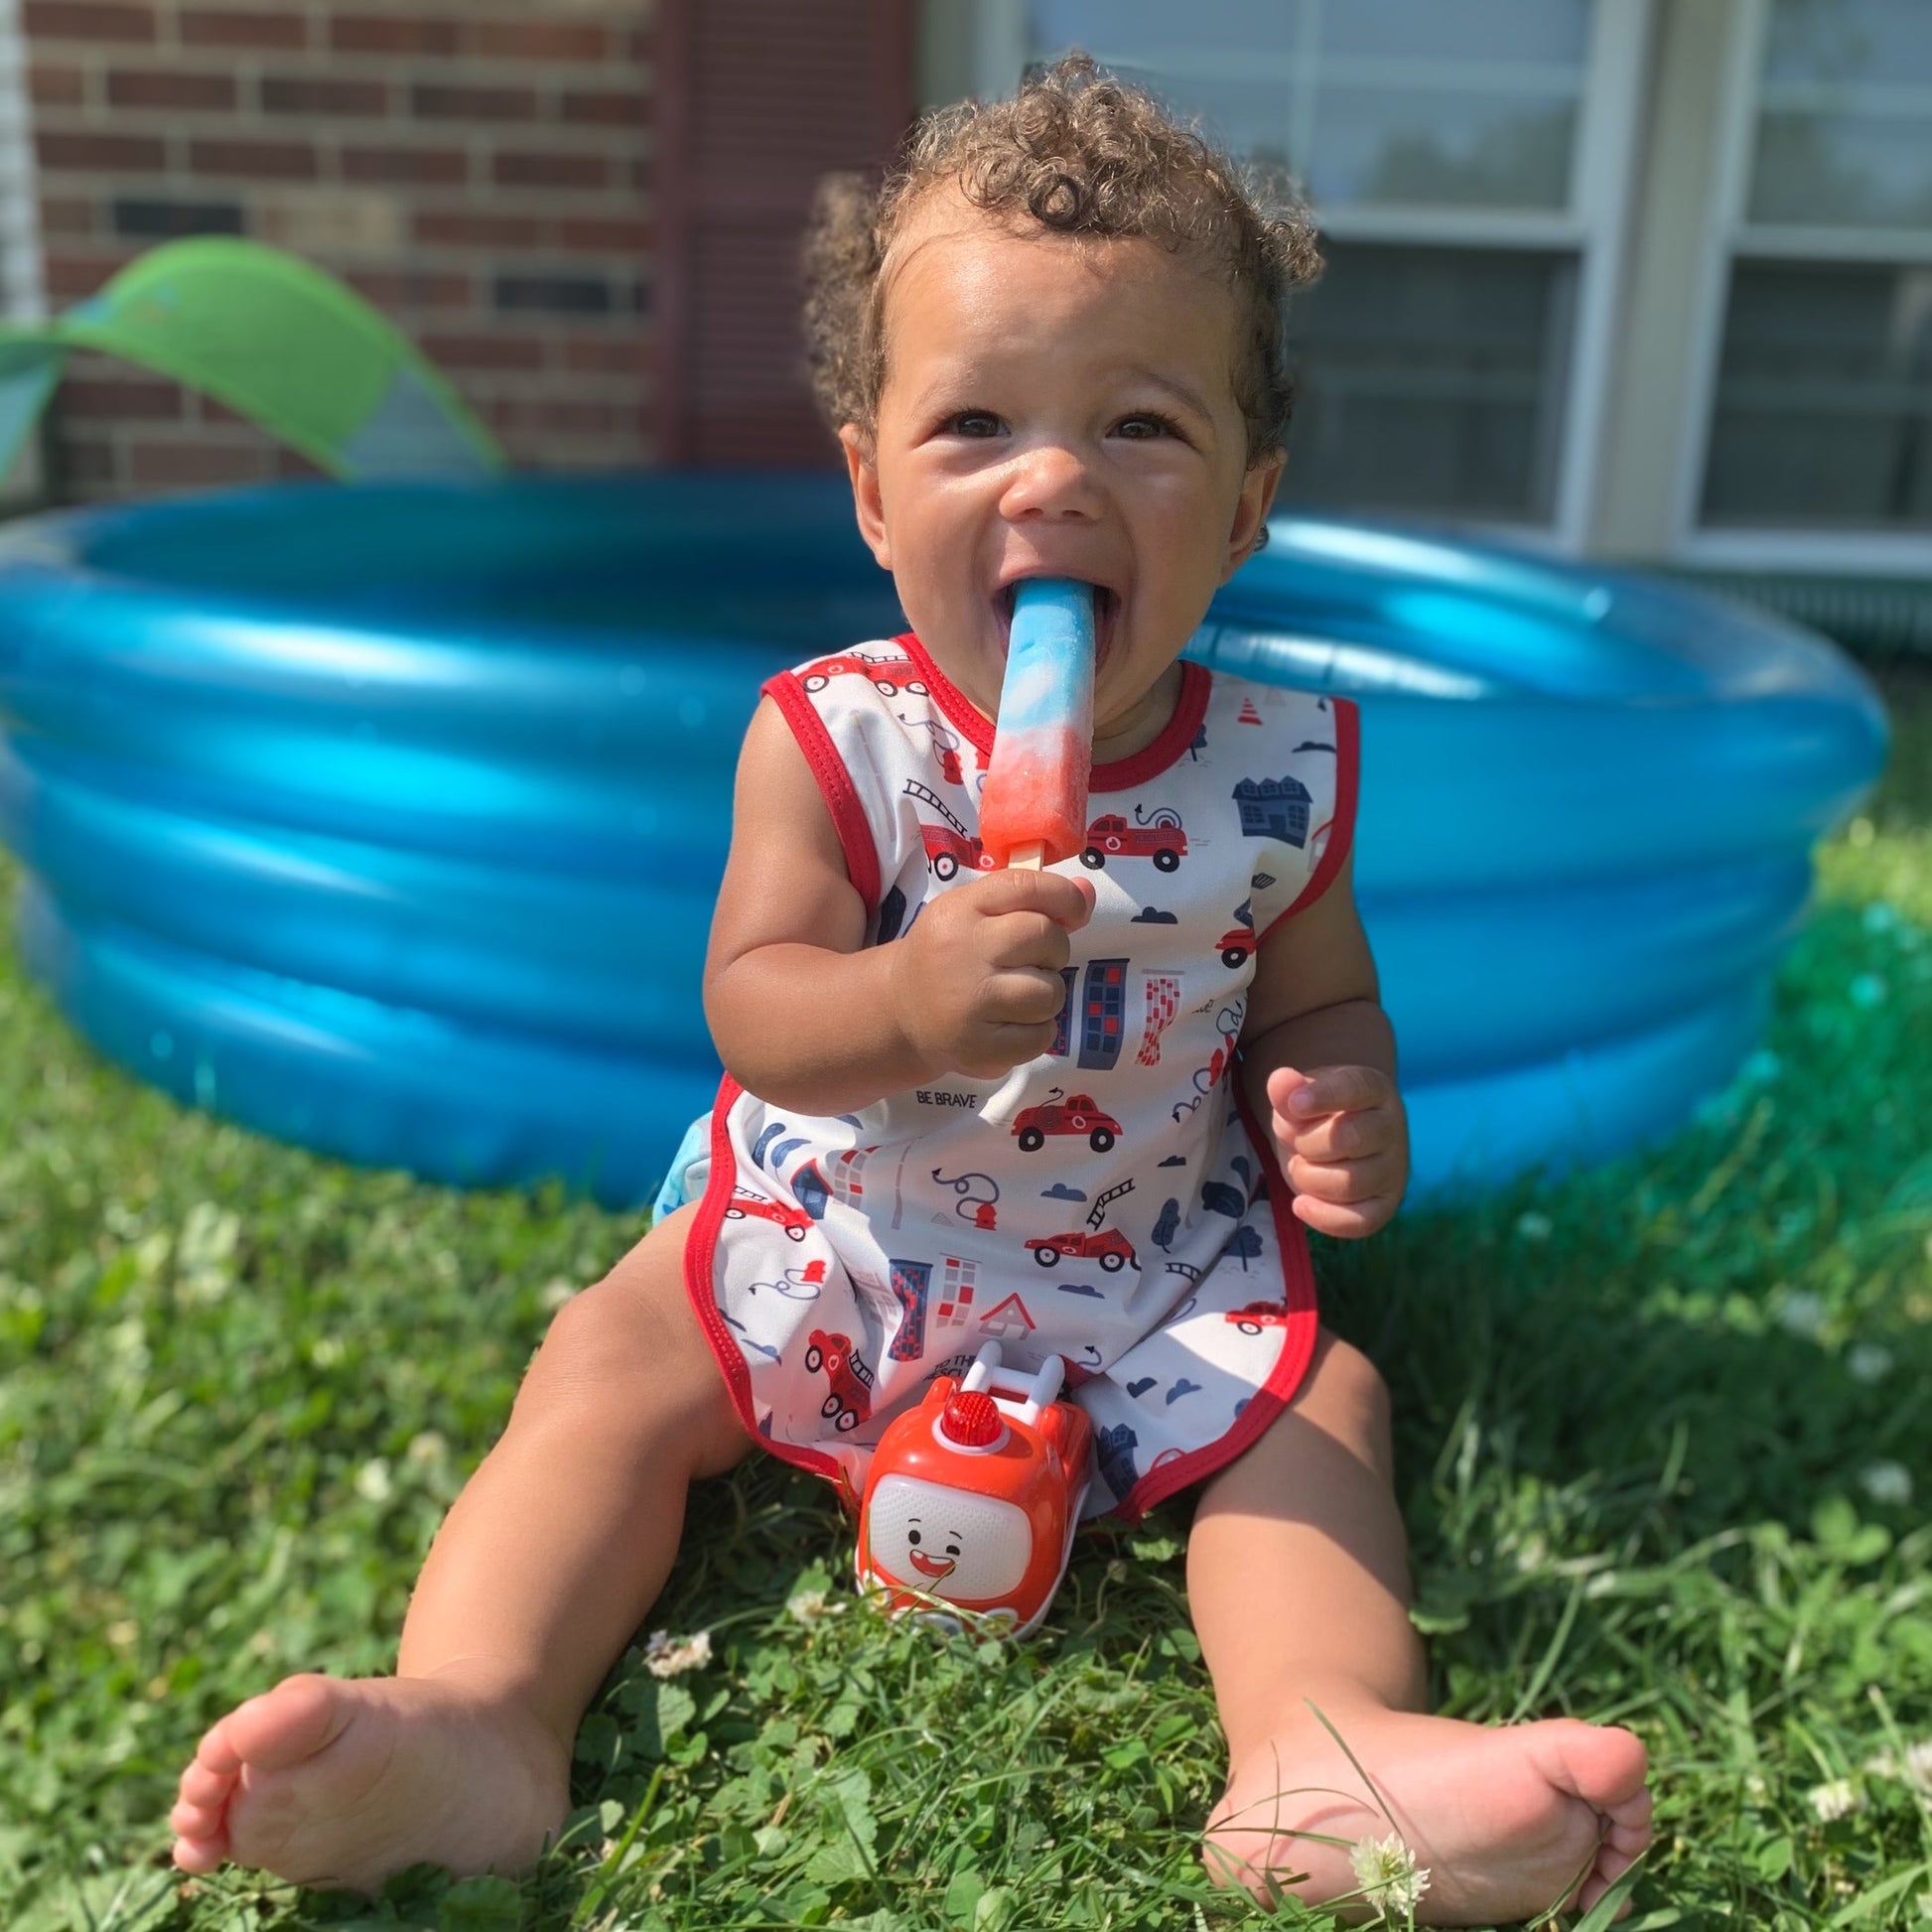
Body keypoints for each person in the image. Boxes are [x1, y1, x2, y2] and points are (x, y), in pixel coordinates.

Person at [168, 57, 1651, 1921]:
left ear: (1246, 504)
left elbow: (1316, 1007)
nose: (1053, 476)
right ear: (871, 488)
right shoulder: (838, 740)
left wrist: (1341, 1102)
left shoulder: (1277, 780)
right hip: (842, 1224)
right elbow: (753, 1003)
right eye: (974, 424)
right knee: (612, 1352)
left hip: (1147, 1253)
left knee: (1321, 1404)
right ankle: (479, 1713)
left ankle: (1319, 1749)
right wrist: (903, 1005)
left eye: (1139, 423)